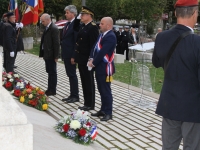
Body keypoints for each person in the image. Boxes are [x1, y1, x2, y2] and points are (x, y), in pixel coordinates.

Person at [152, 0, 200, 149]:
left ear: (175, 13)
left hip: (169, 104)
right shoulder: (197, 42)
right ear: (194, 13)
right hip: (193, 108)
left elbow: (156, 62)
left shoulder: (161, 37)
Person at [88, 17, 116, 121]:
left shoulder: (111, 36)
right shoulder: (101, 35)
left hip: (105, 68)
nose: (100, 25)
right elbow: (94, 48)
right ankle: (103, 110)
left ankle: (108, 112)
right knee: (101, 90)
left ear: (108, 26)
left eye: (102, 24)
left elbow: (102, 52)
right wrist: (91, 58)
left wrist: (93, 63)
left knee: (106, 90)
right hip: (98, 67)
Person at [73, 6, 99, 111]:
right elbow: (75, 28)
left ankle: (90, 104)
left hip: (87, 59)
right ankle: (86, 103)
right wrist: (77, 18)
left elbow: (93, 45)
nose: (81, 16)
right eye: (81, 14)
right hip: (81, 58)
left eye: (83, 15)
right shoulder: (83, 26)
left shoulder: (92, 28)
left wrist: (91, 59)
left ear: (89, 16)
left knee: (89, 82)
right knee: (84, 81)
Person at [61, 5, 79, 103]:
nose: (66, 14)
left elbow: (76, 41)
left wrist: (74, 56)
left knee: (72, 75)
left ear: (73, 13)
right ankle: (72, 94)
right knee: (69, 74)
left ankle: (75, 95)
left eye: (67, 13)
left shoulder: (76, 24)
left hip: (71, 54)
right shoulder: (67, 24)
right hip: (66, 53)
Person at [39, 13, 60, 96]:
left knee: (52, 72)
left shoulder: (54, 28)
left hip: (51, 54)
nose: (42, 23)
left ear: (48, 20)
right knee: (49, 72)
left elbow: (56, 43)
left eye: (43, 21)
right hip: (47, 54)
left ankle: (53, 90)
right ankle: (49, 88)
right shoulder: (47, 27)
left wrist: (56, 56)